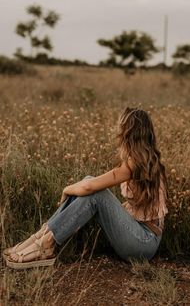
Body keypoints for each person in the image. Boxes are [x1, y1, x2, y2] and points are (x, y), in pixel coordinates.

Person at [3, 107, 168, 269]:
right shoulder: (146, 159)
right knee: (90, 182)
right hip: (139, 235)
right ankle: (41, 236)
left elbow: (90, 187)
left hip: (143, 243)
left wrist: (65, 190)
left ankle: (47, 243)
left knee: (96, 194)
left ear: (128, 133)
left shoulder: (135, 164)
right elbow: (89, 182)